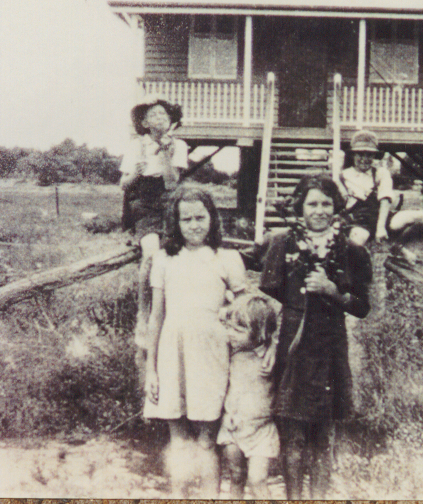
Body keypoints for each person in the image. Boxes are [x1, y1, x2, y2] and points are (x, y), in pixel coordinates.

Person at [241, 175, 373, 499]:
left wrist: (334, 292)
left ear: (336, 207)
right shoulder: (283, 243)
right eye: (312, 203)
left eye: (326, 203)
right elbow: (271, 300)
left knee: (323, 434)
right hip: (293, 344)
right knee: (294, 433)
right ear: (300, 207)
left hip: (330, 344)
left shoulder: (351, 250)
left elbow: (362, 307)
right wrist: (270, 342)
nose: (319, 210)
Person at [143, 187, 246, 497]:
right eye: (186, 219)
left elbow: (245, 312)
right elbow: (156, 317)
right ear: (175, 223)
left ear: (213, 219)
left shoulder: (227, 258)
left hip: (212, 355)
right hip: (173, 354)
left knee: (205, 437)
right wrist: (151, 369)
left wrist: (229, 312)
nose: (194, 225)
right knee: (178, 437)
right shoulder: (163, 259)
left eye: (200, 217)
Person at [119, 95, 190, 371]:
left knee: (176, 254)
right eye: (153, 115)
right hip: (143, 202)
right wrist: (135, 173)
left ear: (171, 121)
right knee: (151, 254)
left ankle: (173, 310)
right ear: (145, 123)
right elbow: (124, 185)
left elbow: (173, 184)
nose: (159, 118)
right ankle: (143, 313)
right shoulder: (136, 146)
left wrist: (166, 155)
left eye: (164, 114)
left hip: (169, 201)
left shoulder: (179, 145)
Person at [217, 294, 280, 499]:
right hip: (233, 427)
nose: (231, 335)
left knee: (257, 480)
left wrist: (274, 345)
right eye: (230, 329)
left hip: (261, 430)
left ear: (259, 332)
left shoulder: (270, 358)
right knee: (236, 476)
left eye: (239, 330)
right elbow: (220, 316)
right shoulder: (232, 352)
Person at [335, 129, 423, 252]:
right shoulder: (343, 176)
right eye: (360, 154)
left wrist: (381, 228)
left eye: (369, 155)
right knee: (358, 239)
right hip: (358, 221)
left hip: (382, 218)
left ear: (374, 156)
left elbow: (385, 199)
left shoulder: (380, 173)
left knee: (421, 216)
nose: (364, 159)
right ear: (353, 155)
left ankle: (397, 246)